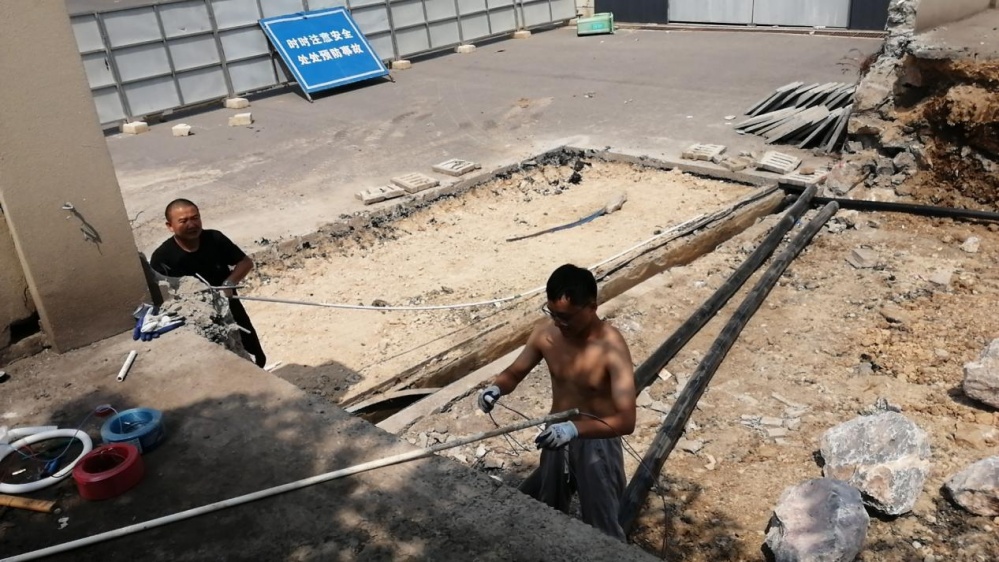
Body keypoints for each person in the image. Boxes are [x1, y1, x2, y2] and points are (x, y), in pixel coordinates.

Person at [477, 264, 636, 541]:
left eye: (566, 317)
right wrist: (496, 388)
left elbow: (626, 420)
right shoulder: (546, 334)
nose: (559, 323)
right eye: (553, 313)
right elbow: (514, 373)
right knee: (547, 510)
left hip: (596, 440)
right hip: (555, 434)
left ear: (592, 307)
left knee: (603, 525)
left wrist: (574, 429)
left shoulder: (610, 346)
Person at [150, 199, 267, 368]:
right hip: (198, 321)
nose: (192, 225)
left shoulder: (214, 238)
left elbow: (245, 262)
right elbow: (161, 296)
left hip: (229, 309)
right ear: (170, 226)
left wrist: (229, 283)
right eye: (183, 221)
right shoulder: (163, 258)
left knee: (254, 356)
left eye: (195, 218)